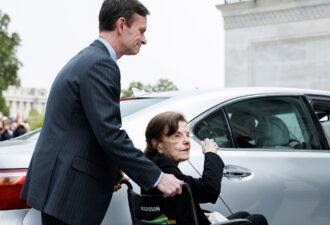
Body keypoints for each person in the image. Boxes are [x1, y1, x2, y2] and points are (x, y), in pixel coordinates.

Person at [20, 1, 182, 225]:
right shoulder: (101, 64)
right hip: (70, 193)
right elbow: (109, 133)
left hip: (60, 189)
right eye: (141, 31)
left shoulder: (85, 59)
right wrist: (157, 177)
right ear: (121, 24)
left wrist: (112, 172)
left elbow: (84, 129)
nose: (144, 40)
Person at [143, 111, 269, 225]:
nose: (186, 141)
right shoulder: (164, 170)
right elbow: (209, 190)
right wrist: (211, 154)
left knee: (244, 215)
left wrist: (202, 213)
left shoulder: (154, 166)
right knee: (257, 220)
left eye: (187, 135)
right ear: (157, 144)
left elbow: (177, 206)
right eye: (177, 136)